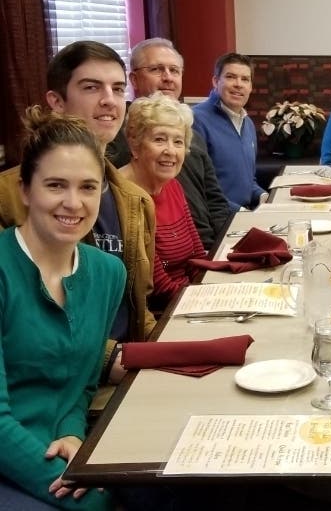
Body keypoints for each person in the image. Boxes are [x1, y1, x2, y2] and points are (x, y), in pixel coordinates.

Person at [0, 40, 156, 387]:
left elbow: (138, 308)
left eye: (118, 89)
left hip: (127, 379)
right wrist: (110, 359)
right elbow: (20, 328)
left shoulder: (135, 200)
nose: (109, 100)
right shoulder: (7, 198)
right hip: (52, 390)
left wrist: (165, 352)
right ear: (56, 101)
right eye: (91, 87)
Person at [0, 108, 124, 510]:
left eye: (88, 187)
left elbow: (83, 384)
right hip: (13, 460)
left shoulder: (108, 272)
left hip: (65, 449)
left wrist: (73, 434)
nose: (73, 203)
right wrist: (71, 481)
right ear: (25, 190)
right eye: (56, 185)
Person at [107, 38, 231, 251]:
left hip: (206, 249)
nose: (167, 78)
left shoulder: (191, 131)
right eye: (156, 69)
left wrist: (225, 249)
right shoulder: (118, 136)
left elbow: (215, 200)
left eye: (174, 70)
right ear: (134, 80)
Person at [121, 93, 206, 311]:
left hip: (186, 297)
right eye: (159, 139)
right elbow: (158, 286)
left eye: (178, 141)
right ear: (135, 144)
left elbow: (197, 256)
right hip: (160, 312)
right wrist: (204, 301)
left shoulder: (173, 186)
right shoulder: (124, 196)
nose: (170, 151)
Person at [192, 52, 268, 211]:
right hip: (218, 221)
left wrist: (263, 196)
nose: (238, 84)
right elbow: (199, 189)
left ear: (251, 87)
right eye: (231, 77)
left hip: (244, 213)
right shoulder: (196, 120)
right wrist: (242, 213)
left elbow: (248, 180)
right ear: (215, 81)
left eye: (245, 79)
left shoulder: (248, 124)